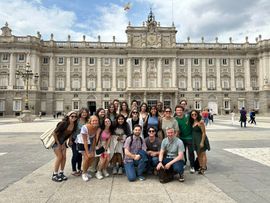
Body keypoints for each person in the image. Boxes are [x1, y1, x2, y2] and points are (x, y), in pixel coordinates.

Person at [51, 111, 78, 182]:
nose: (74, 118)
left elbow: (71, 133)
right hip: (56, 142)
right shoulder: (63, 123)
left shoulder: (74, 124)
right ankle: (55, 174)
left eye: (75, 117)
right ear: (68, 117)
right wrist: (58, 143)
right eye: (72, 116)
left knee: (64, 158)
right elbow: (54, 133)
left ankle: (61, 173)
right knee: (59, 157)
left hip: (63, 143)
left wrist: (70, 140)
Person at [76, 115, 100, 182]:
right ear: (90, 121)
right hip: (82, 142)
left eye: (96, 120)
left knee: (92, 157)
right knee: (87, 158)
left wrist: (92, 150)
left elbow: (94, 139)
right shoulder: (85, 127)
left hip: (90, 142)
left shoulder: (96, 127)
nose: (95, 122)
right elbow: (85, 141)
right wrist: (87, 152)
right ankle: (83, 174)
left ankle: (85, 171)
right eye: (93, 121)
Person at [175, 105, 195, 173]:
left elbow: (196, 118)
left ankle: (192, 166)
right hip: (181, 138)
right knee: (182, 152)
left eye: (180, 110)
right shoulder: (175, 119)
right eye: (177, 110)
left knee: (191, 152)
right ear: (176, 111)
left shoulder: (188, 117)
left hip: (189, 137)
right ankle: (184, 163)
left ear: (183, 111)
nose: (179, 111)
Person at [190, 110, 210, 175]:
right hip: (195, 140)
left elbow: (204, 133)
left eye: (195, 114)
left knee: (203, 154)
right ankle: (200, 166)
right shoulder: (192, 122)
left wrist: (202, 142)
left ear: (197, 114)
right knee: (198, 154)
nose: (194, 116)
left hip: (201, 139)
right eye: (192, 114)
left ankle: (204, 168)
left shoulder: (200, 122)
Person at [70, 108, 89, 176]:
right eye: (83, 112)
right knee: (75, 154)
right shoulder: (76, 120)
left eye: (85, 112)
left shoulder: (88, 121)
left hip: (82, 141)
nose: (84, 114)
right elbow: (71, 130)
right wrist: (70, 140)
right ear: (80, 113)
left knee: (80, 155)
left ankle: (79, 169)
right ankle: (74, 170)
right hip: (75, 140)